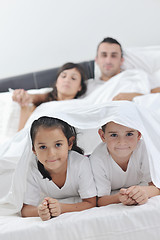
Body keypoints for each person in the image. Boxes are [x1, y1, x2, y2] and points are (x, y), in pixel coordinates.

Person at [21, 116, 97, 221]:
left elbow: (91, 203)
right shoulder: (33, 168)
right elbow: (25, 210)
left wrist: (61, 208)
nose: (51, 154)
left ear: (69, 143)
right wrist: (40, 211)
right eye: (43, 147)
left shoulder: (81, 163)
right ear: (34, 149)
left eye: (58, 145)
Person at [90, 121, 160, 207]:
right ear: (102, 135)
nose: (122, 142)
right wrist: (119, 198)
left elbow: (157, 186)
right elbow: (100, 200)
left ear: (138, 134)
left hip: (140, 185)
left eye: (129, 134)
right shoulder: (97, 159)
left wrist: (144, 192)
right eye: (114, 135)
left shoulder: (143, 150)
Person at [12, 62, 87, 130]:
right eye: (63, 76)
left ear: (80, 87)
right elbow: (20, 136)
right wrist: (23, 98)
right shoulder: (38, 105)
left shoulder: (80, 107)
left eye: (73, 78)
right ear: (56, 83)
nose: (67, 80)